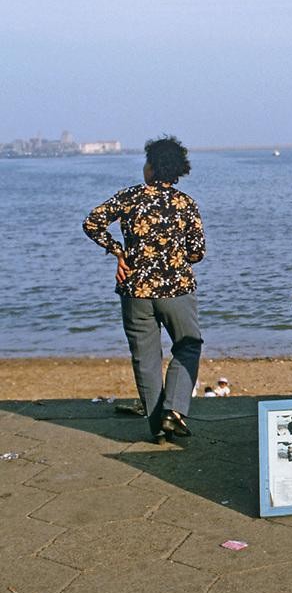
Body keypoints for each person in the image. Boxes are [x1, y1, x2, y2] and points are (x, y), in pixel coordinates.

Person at [83, 136, 204, 444]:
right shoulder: (185, 204)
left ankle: (158, 428)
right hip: (177, 290)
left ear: (151, 167)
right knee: (188, 346)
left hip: (135, 290)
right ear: (177, 169)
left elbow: (92, 222)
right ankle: (174, 411)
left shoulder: (130, 197)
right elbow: (197, 252)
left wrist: (119, 252)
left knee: (145, 358)